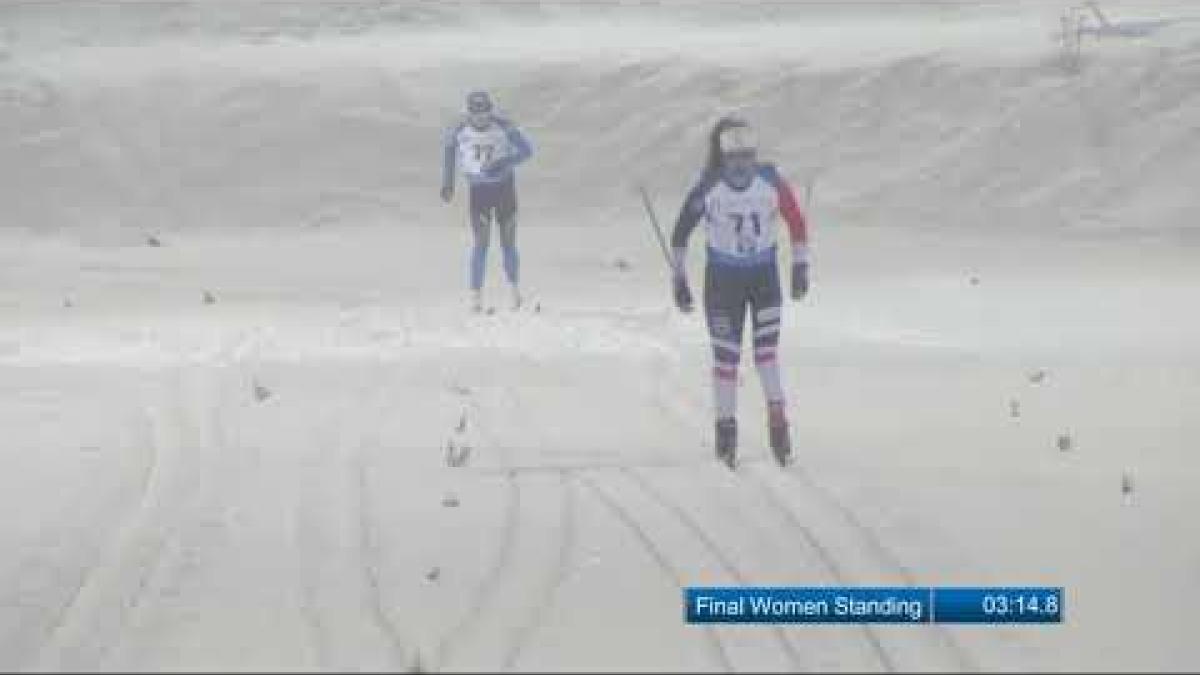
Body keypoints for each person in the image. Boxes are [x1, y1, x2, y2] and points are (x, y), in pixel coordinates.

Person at [669, 116, 810, 468]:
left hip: (751, 280)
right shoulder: (715, 186)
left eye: (747, 156)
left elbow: (797, 222)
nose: (742, 166)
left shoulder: (761, 182)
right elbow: (680, 233)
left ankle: (763, 428)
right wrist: (680, 280)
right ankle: (734, 430)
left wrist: (800, 266)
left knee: (755, 357)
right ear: (723, 157)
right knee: (736, 359)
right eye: (735, 158)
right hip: (729, 282)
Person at [440, 90, 534, 311]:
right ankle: (476, 297)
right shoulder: (458, 129)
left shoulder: (504, 125)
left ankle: (515, 292)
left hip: (504, 189)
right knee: (481, 244)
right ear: (470, 112)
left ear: (491, 110)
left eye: (486, 112)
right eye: (477, 113)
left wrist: (504, 162)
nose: (482, 118)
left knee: (508, 243)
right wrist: (448, 184)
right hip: (479, 192)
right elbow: (449, 155)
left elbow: (527, 151)